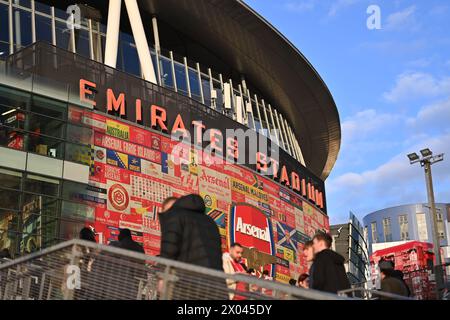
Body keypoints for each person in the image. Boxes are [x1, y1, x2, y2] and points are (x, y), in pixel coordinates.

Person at [159, 194, 226, 299]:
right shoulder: (210, 222)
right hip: (216, 285)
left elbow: (169, 249)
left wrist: (162, 276)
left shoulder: (175, 216)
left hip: (188, 284)